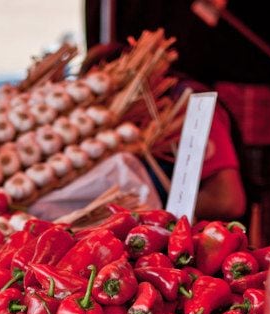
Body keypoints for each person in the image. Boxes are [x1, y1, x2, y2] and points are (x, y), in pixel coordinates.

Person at [80, 43, 247, 220]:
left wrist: (155, 213)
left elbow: (226, 202)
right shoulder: (128, 122)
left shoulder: (184, 107)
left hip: (201, 238)